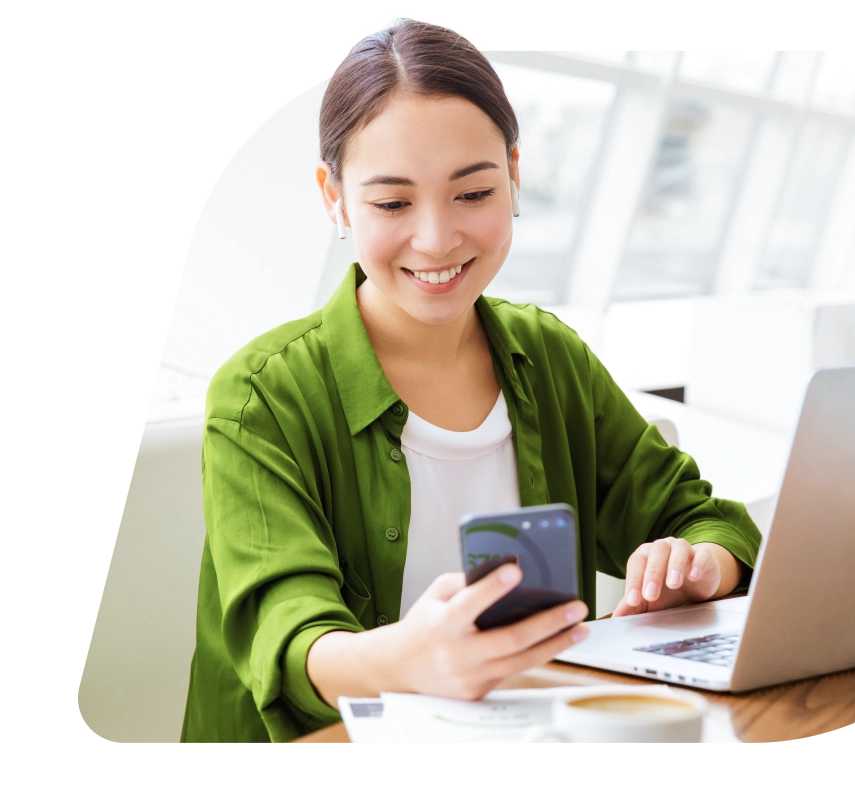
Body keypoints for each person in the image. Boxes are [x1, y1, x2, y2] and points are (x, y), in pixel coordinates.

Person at [179, 16, 762, 744]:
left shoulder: (550, 358)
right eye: (393, 203)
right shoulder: (260, 396)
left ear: (514, 175)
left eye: (473, 193)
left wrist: (699, 566)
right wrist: (415, 658)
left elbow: (707, 522)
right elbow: (291, 641)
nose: (436, 238)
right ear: (334, 197)